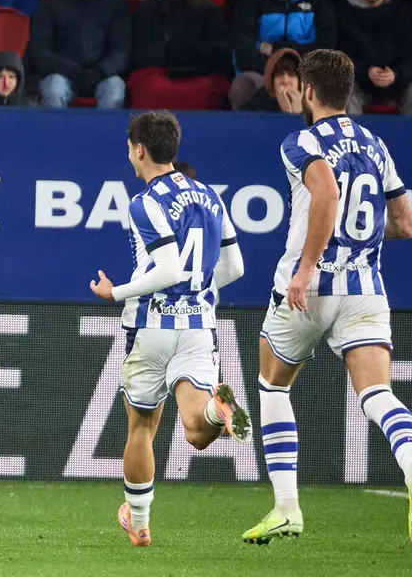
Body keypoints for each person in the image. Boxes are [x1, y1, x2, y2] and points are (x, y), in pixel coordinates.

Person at [241, 50, 412, 544]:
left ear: (310, 92)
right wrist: (361, 243)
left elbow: (326, 193)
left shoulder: (302, 141)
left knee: (273, 385)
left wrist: (310, 266)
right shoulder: (376, 144)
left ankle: (287, 507)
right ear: (349, 91)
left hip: (309, 287)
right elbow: (402, 221)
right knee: (377, 394)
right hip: (364, 288)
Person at [89, 110, 250, 547]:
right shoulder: (211, 197)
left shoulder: (145, 201)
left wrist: (116, 291)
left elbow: (168, 267)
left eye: (129, 148)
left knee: (141, 428)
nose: (129, 155)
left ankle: (139, 524)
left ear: (139, 149)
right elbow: (234, 266)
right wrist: (199, 287)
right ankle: (220, 411)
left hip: (151, 326)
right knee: (198, 432)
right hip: (198, 326)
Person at [229, 0, 335, 111]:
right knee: (242, 86)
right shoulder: (251, 0)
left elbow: (325, 47)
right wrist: (275, 74)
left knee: (335, 86)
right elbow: (244, 52)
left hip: (308, 73)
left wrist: (279, 50)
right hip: (262, 74)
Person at [127, 0, 232, 110]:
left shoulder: (210, 10)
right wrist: (175, 53)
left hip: (200, 74)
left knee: (211, 89)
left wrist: (186, 57)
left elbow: (221, 52)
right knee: (151, 89)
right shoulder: (148, 9)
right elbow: (139, 53)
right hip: (159, 73)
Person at [31, 0, 130, 109]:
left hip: (104, 75)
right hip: (62, 74)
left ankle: (105, 136)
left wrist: (101, 71)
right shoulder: (50, 3)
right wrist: (71, 70)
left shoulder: (115, 3)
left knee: (114, 90)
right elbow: (40, 51)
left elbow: (122, 50)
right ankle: (54, 135)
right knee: (53, 90)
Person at [337, 0, 412, 114]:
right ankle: (350, 138)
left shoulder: (405, 12)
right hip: (359, 82)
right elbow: (338, 55)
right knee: (342, 90)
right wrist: (365, 71)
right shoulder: (341, 13)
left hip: (400, 83)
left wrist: (396, 74)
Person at [240, 47, 303, 112]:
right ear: (271, 81)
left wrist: (299, 114)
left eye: (291, 75)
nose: (285, 80)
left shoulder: (312, 108)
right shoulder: (254, 110)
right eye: (279, 75)